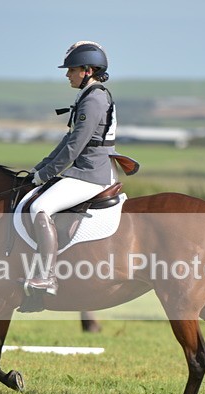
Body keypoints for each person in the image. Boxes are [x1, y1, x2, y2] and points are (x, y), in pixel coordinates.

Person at [25, 41, 138, 296]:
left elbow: (76, 145)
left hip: (92, 174)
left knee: (39, 206)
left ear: (87, 70)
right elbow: (68, 139)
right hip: (86, 170)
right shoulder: (88, 95)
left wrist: (46, 174)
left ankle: (47, 276)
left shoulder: (95, 99)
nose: (67, 74)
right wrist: (41, 167)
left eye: (71, 69)